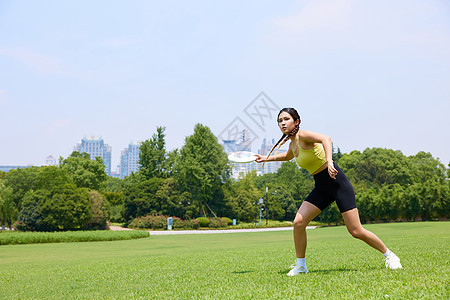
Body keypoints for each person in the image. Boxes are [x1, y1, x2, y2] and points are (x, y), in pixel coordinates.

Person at [255, 107, 402, 276]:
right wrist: (266, 158)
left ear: (296, 121)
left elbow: (326, 138)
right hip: (322, 187)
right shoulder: (293, 143)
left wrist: (329, 161)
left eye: (286, 119)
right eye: (279, 121)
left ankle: (390, 255)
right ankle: (301, 265)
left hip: (337, 183)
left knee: (355, 231)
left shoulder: (303, 136)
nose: (282, 123)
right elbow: (288, 156)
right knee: (298, 223)